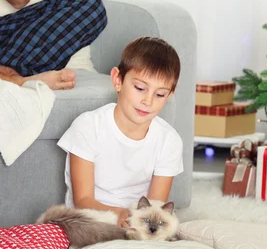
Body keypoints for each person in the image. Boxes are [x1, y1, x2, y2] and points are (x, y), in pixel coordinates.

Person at [58, 37, 183, 227]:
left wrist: (139, 224)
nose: (148, 101)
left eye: (159, 95)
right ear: (118, 80)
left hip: (138, 227)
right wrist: (121, 215)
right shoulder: (88, 126)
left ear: (170, 94)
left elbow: (155, 208)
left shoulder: (169, 140)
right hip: (91, 223)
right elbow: (82, 201)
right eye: (140, 88)